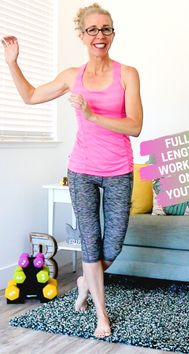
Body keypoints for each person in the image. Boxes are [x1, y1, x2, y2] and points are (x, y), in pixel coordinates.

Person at [1, 2, 143, 338]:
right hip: (81, 169)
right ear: (82, 35)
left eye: (105, 29)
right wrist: (12, 63)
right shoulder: (71, 77)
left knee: (113, 247)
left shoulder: (128, 74)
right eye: (92, 29)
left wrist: (93, 116)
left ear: (113, 34)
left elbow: (135, 125)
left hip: (118, 169)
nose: (100, 35)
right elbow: (31, 96)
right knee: (91, 245)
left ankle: (84, 281)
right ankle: (101, 315)